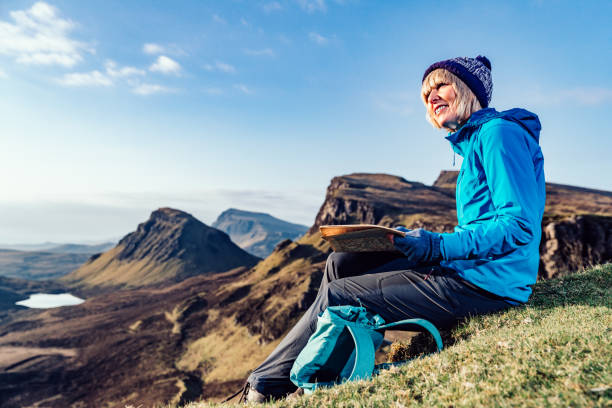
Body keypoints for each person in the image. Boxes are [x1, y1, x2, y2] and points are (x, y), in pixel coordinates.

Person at [243, 55, 546, 402]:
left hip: (487, 286)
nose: (431, 97)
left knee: (338, 294)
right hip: (469, 271)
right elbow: (482, 223)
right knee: (341, 264)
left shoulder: (498, 135)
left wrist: (438, 246)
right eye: (426, 93)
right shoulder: (477, 141)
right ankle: (321, 364)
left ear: (467, 90)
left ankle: (266, 386)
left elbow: (518, 225)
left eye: (440, 85)